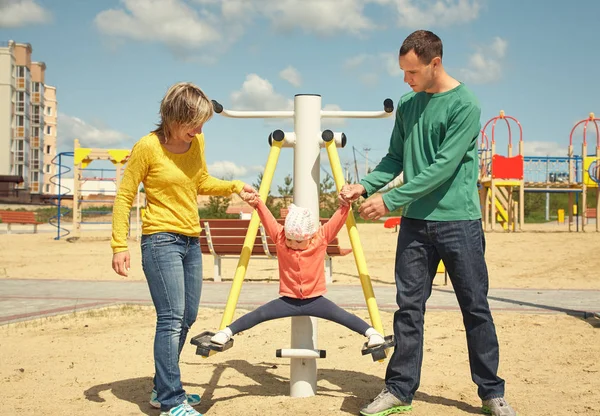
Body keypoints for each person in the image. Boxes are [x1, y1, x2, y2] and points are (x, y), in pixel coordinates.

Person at [340, 30, 517, 416]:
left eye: (412, 72)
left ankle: (491, 392)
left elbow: (442, 169)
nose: (407, 79)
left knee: (475, 308)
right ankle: (399, 390)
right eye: (404, 72)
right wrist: (364, 186)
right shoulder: (408, 104)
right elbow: (394, 158)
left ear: (435, 63)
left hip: (459, 222)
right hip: (416, 226)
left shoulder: (465, 104)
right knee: (408, 309)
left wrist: (389, 201)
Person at [111, 82, 257, 416]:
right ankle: (172, 399)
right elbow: (124, 196)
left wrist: (236, 186)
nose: (201, 129)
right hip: (160, 239)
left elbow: (200, 181)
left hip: (191, 240)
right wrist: (120, 245)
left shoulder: (196, 141)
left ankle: (162, 389)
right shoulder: (147, 147)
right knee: (171, 318)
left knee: (188, 316)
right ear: (174, 117)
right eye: (195, 123)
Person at [207, 192, 386, 350]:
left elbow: (337, 221)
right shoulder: (280, 237)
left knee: (341, 315)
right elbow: (267, 218)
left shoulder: (321, 238)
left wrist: (345, 205)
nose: (294, 244)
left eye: (299, 241)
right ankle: (227, 332)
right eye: (291, 240)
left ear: (310, 236)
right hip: (288, 300)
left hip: (315, 299)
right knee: (260, 314)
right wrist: (258, 203)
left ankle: (372, 334)